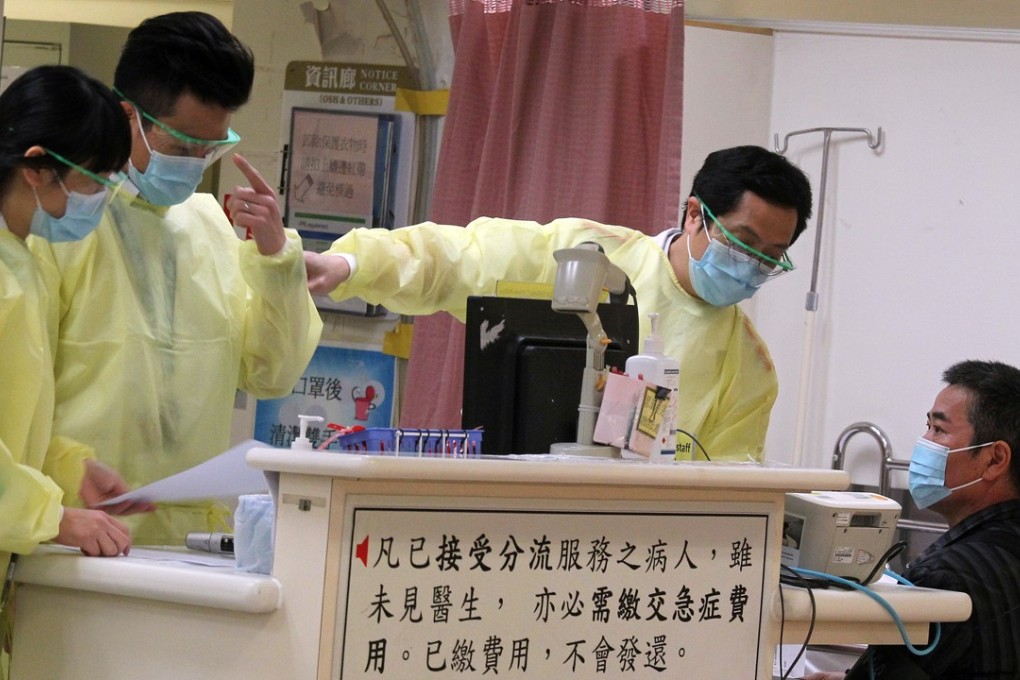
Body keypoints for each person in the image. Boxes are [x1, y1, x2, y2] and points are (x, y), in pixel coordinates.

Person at [304, 145, 812, 461]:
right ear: (696, 215)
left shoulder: (749, 368)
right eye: (742, 243)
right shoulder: (590, 255)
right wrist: (351, 266)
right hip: (514, 507)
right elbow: (460, 259)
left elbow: (725, 495)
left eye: (770, 257)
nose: (750, 265)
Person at [30, 12, 323, 546]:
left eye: (209, 149)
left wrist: (278, 262)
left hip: (190, 544)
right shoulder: (61, 224)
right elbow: (21, 402)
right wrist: (62, 486)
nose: (195, 163)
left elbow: (271, 375)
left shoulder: (208, 225)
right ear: (127, 116)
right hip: (75, 539)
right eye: (182, 144)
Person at [0, 65, 155, 670]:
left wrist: (71, 469)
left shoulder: (26, 263)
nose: (101, 200)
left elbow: (15, 417)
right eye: (95, 181)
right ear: (36, 166)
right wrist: (51, 516)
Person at [806, 359, 1020, 680]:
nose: (924, 443)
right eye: (927, 426)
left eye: (938, 429)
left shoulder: (947, 579)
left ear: (994, 459)